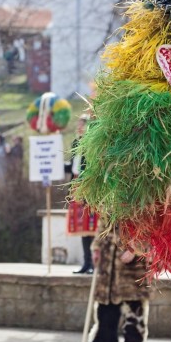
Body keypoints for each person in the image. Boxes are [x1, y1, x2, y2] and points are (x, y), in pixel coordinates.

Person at [84, 220, 150, 342]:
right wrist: (96, 248)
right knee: (106, 300)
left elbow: (150, 226)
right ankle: (103, 341)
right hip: (108, 259)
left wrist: (135, 248)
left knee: (133, 302)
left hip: (132, 262)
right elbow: (102, 224)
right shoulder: (108, 202)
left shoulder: (143, 202)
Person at [67, 115, 96, 274]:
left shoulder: (92, 144)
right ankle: (87, 262)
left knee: (92, 226)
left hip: (88, 188)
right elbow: (74, 167)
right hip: (76, 186)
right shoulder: (76, 143)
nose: (79, 127)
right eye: (78, 124)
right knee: (82, 227)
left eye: (82, 124)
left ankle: (94, 262)